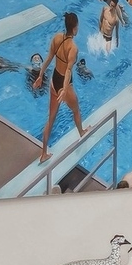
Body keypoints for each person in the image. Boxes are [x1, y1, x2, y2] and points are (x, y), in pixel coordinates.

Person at [31, 13, 85, 162]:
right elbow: (68, 71)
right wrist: (65, 89)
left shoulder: (57, 38)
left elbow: (49, 58)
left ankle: (43, 154)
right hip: (63, 84)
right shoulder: (73, 48)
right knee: (76, 110)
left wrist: (40, 75)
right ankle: (81, 132)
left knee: (51, 119)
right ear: (75, 28)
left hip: (54, 79)